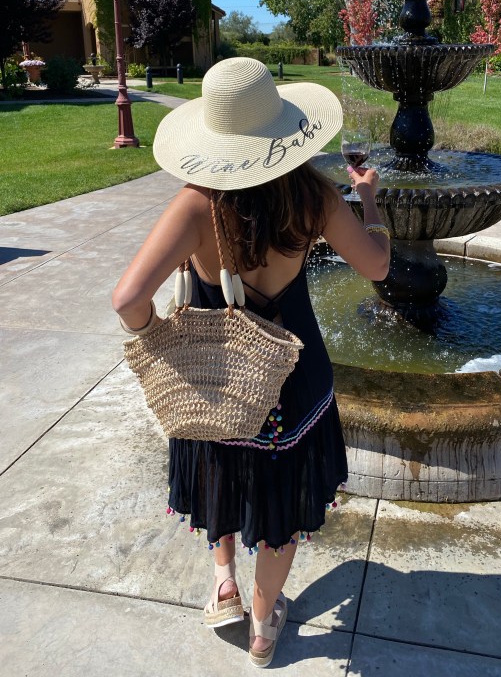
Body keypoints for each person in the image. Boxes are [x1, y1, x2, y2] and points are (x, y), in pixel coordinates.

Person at [112, 57, 390, 668]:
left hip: (216, 385)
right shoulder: (313, 195)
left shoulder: (196, 205)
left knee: (223, 468)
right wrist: (369, 203)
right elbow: (377, 266)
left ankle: (224, 585)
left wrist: (158, 338)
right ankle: (264, 625)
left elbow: (128, 300)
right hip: (294, 382)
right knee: (281, 503)